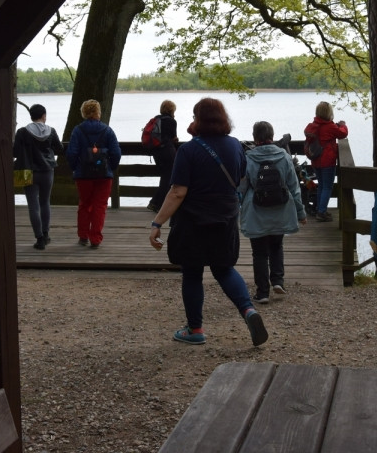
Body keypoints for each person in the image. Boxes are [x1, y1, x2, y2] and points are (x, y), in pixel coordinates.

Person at [147, 97, 268, 347]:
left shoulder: (189, 150)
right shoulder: (235, 146)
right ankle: (249, 311)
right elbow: (240, 178)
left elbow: (178, 191)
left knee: (192, 273)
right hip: (225, 218)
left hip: (192, 221)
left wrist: (157, 223)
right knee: (223, 269)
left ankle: (195, 329)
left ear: (198, 119)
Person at [239, 121, 307, 304]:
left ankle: (262, 292)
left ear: (255, 137)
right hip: (281, 208)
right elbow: (294, 187)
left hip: (256, 210)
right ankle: (277, 281)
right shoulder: (284, 156)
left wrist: (237, 208)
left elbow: (242, 187)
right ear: (272, 135)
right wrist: (301, 213)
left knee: (259, 252)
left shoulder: (248, 157)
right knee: (277, 246)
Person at [66, 99, 121, 249]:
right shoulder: (107, 130)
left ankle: (83, 236)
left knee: (85, 204)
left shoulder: (78, 130)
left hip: (83, 175)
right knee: (100, 206)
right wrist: (111, 168)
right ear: (98, 112)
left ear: (84, 112)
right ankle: (95, 238)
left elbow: (71, 153)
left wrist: (75, 168)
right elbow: (116, 153)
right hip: (104, 175)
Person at [13, 104, 64, 250]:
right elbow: (59, 148)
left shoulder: (22, 132)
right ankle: (46, 234)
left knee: (33, 205)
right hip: (47, 170)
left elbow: (15, 152)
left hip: (27, 172)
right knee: (45, 202)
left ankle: (39, 239)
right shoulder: (51, 131)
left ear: (31, 116)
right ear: (44, 115)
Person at [303, 101, 348, 222]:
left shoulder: (313, 126)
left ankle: (319, 208)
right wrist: (343, 125)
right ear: (329, 113)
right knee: (327, 187)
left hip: (316, 160)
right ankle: (321, 212)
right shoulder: (330, 127)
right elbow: (342, 134)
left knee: (322, 186)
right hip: (327, 161)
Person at [147, 100, 179, 213]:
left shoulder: (156, 119)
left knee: (165, 178)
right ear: (171, 110)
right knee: (168, 179)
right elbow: (173, 138)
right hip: (168, 153)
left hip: (157, 153)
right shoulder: (171, 121)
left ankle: (157, 203)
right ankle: (156, 203)